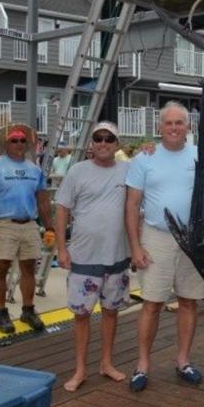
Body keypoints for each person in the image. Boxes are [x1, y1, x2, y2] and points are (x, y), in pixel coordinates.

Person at [125, 101, 204, 392]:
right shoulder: (144, 158)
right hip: (155, 237)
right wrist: (135, 247)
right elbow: (132, 205)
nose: (174, 128)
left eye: (179, 123)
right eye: (169, 123)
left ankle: (183, 360)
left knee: (188, 301)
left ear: (188, 127)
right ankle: (142, 364)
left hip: (192, 239)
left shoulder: (200, 156)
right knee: (152, 304)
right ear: (160, 127)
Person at [55, 121, 130, 392]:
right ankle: (80, 369)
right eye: (98, 138)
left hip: (118, 256)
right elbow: (62, 210)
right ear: (91, 143)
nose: (102, 143)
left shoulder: (128, 169)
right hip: (83, 257)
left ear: (116, 144)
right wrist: (61, 249)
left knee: (111, 312)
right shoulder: (77, 171)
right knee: (81, 315)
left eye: (109, 138)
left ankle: (106, 363)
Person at [0, 124, 55, 334]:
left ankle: (28, 310)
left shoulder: (34, 169)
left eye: (22, 140)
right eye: (14, 140)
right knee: (1, 269)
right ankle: (1, 313)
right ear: (6, 144)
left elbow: (43, 201)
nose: (19, 144)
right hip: (4, 225)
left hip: (29, 224)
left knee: (29, 268)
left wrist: (49, 228)